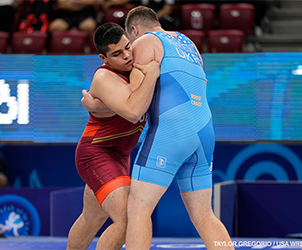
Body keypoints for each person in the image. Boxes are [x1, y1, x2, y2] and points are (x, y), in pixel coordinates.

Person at [122, 6, 234, 249]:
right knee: (204, 214)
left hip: (172, 131)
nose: (128, 51)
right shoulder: (189, 44)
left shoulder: (144, 42)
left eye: (128, 43)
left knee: (138, 207)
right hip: (204, 133)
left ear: (134, 30)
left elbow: (135, 102)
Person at [66, 22, 160, 250]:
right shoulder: (104, 78)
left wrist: (100, 106)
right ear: (103, 58)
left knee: (92, 218)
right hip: (96, 153)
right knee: (127, 218)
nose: (128, 56)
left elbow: (130, 101)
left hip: (121, 155)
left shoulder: (135, 62)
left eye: (128, 47)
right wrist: (153, 73)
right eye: (118, 54)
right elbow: (133, 109)